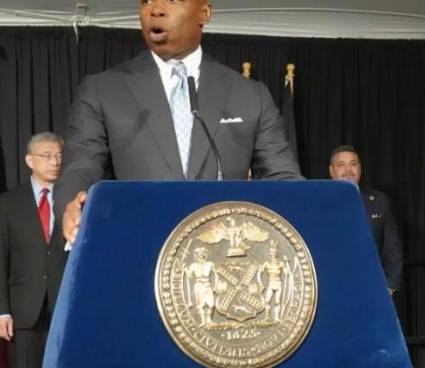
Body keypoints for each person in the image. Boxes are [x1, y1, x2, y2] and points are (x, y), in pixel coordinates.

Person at [55, 0, 301, 245]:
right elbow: (80, 167)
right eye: (146, 1)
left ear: (204, 14)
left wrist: (306, 212)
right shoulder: (103, 90)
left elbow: (282, 178)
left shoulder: (250, 94)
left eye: (172, 0)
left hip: (224, 260)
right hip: (139, 249)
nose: (156, 10)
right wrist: (72, 205)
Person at [0, 133, 67, 368]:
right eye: (47, 156)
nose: (55, 162)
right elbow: (1, 257)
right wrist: (2, 310)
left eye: (59, 156)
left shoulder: (73, 199)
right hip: (24, 311)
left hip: (63, 306)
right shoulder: (8, 203)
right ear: (30, 160)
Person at [329, 145, 403, 294]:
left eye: (353, 164)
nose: (348, 170)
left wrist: (390, 286)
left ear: (360, 169)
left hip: (372, 288)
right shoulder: (320, 203)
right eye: (341, 165)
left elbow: (392, 249)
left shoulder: (379, 202)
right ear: (331, 171)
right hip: (332, 288)